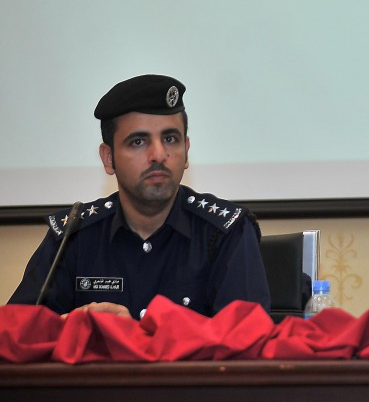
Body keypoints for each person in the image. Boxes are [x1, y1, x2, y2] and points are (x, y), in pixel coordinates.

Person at [8, 74, 271, 318]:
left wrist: (135, 334)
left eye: (170, 139)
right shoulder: (72, 236)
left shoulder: (226, 233)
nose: (158, 154)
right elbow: (17, 335)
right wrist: (69, 326)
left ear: (186, 151)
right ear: (108, 158)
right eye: (138, 141)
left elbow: (246, 342)